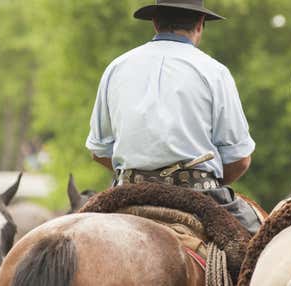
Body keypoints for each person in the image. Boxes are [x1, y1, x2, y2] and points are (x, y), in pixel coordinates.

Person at [85, 0, 260, 233]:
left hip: (128, 190)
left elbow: (98, 151)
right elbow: (240, 160)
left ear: (156, 23)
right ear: (200, 24)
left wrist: (144, 172)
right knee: (257, 248)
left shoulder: (116, 67)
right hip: (197, 192)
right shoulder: (215, 72)